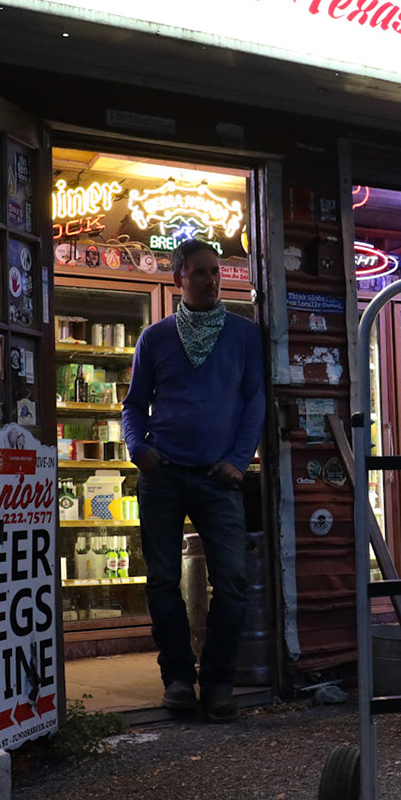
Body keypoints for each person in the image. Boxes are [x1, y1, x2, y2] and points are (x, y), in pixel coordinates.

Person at [122, 239, 266, 721]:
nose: (211, 279)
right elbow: (132, 404)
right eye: (200, 272)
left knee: (232, 581)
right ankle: (179, 679)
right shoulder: (156, 337)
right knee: (163, 581)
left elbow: (255, 402)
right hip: (163, 476)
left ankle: (219, 682)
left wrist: (239, 459)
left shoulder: (245, 336)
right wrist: (139, 449)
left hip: (218, 476)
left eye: (215, 271)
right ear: (178, 277)